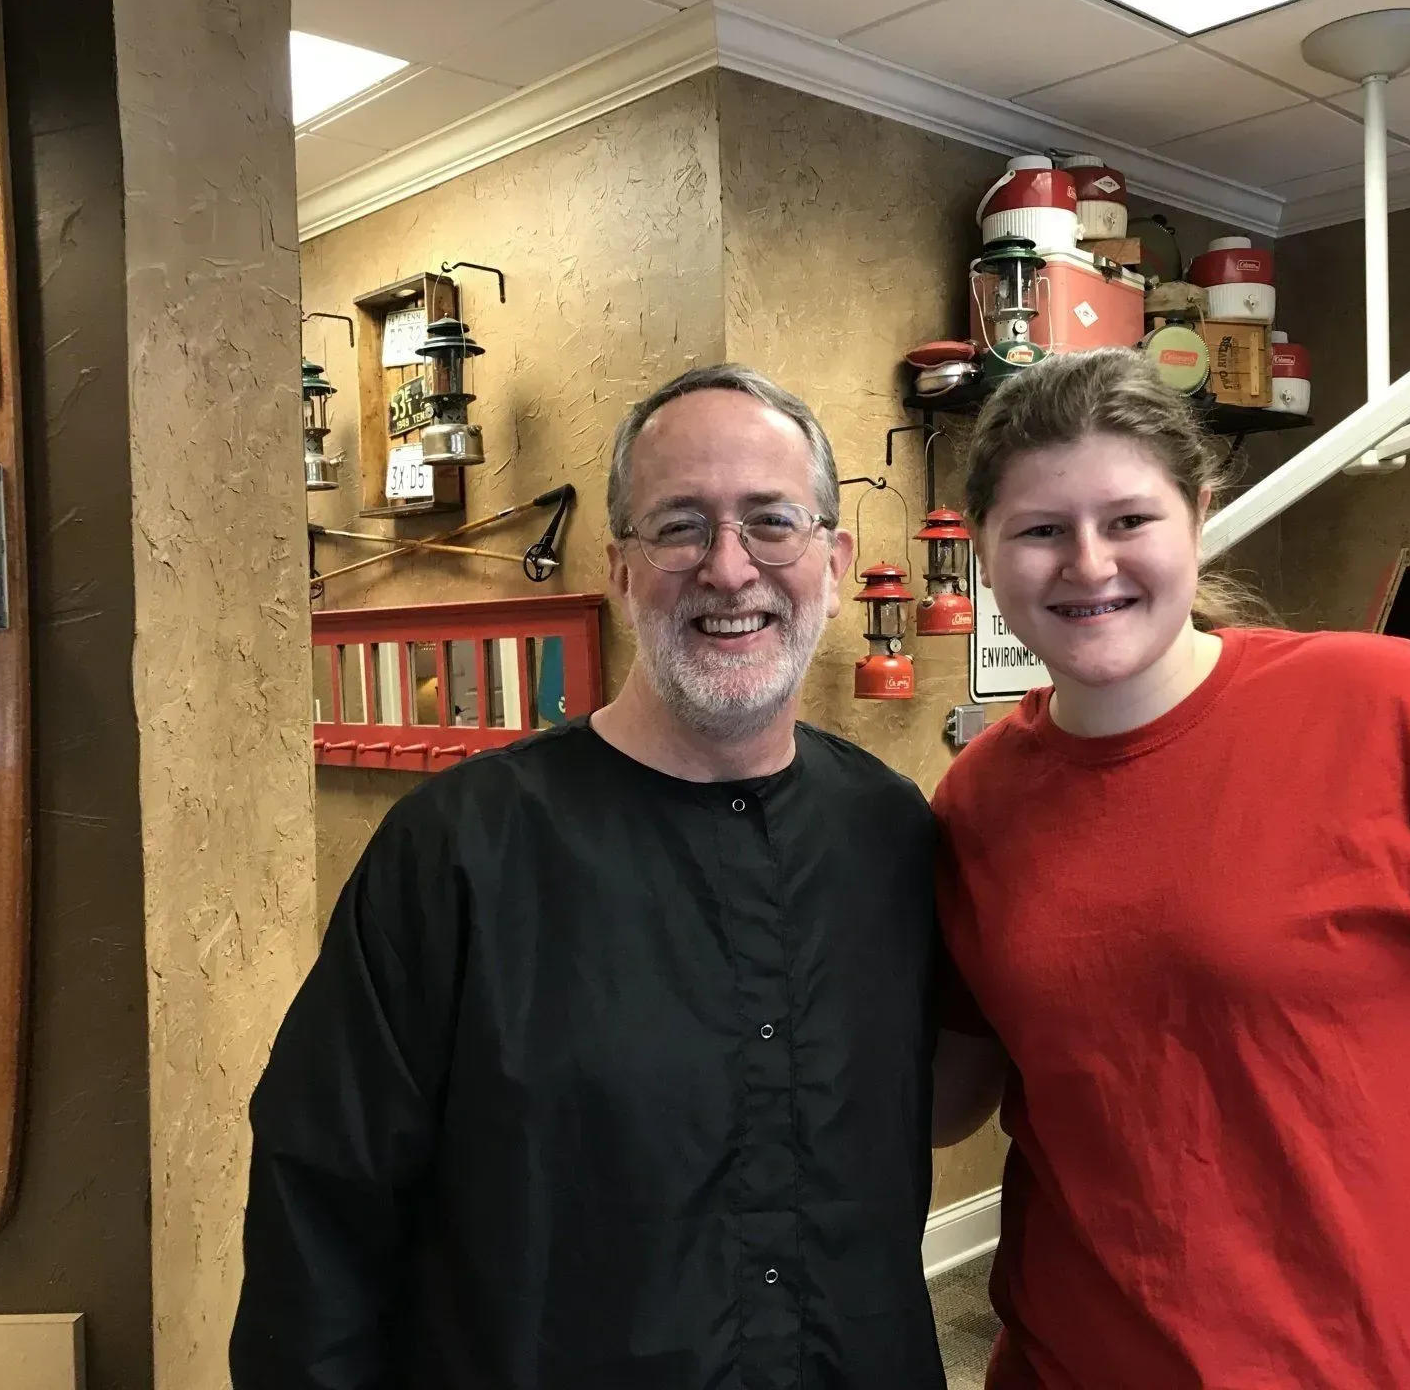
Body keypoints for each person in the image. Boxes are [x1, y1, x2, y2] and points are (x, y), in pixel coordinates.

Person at [929, 347, 1410, 1390]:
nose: (1088, 562)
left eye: (1128, 520)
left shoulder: (1394, 712)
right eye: (1038, 530)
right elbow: (948, 1092)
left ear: (1196, 520)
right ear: (984, 553)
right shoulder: (976, 802)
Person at [231, 364, 946, 1390]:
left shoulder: (890, 832)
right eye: (680, 526)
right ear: (618, 567)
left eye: (772, 523)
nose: (730, 569)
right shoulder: (458, 852)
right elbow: (320, 1218)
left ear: (834, 564)